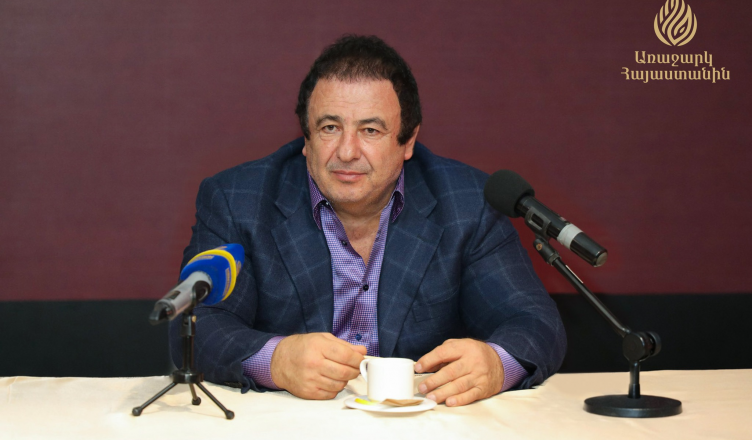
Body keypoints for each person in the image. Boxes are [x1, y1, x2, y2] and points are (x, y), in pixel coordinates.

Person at [169, 35, 566, 407]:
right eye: (329, 128)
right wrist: (275, 361)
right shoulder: (239, 200)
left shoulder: (465, 204)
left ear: (408, 141)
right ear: (306, 137)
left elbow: (533, 322)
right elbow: (195, 325)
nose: (346, 151)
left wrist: (495, 363)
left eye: (370, 130)